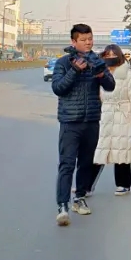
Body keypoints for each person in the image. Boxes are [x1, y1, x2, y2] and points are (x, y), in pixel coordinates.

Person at [51, 24, 115, 226]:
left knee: (86, 163)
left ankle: (79, 198)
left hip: (92, 120)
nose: (88, 43)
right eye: (83, 40)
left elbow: (111, 86)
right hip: (70, 121)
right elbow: (58, 88)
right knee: (67, 164)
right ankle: (63, 205)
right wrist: (74, 71)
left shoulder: (97, 61)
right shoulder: (63, 63)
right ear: (74, 41)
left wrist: (102, 75)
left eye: (90, 39)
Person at [94, 44, 131, 194]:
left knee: (122, 152)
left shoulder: (128, 74)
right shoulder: (100, 74)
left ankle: (123, 184)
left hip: (124, 116)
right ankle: (86, 186)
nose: (111, 57)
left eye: (114, 55)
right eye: (107, 55)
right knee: (99, 151)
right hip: (105, 115)